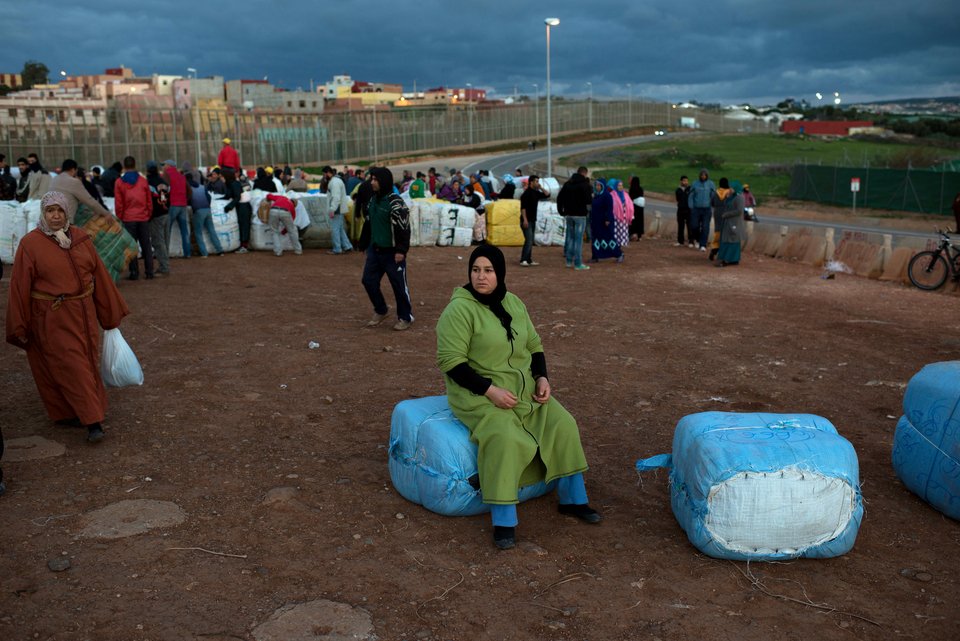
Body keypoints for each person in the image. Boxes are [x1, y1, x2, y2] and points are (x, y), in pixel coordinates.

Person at [436, 244, 600, 550]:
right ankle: (504, 520)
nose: (481, 277)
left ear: (500, 273)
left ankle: (573, 499)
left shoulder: (513, 303)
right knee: (504, 436)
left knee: (562, 423)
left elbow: (534, 345)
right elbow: (451, 362)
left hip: (522, 391)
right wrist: (490, 391)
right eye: (475, 270)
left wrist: (542, 378)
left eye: (488, 270)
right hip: (478, 395)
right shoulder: (459, 310)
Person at [6, 191, 130, 444]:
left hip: (83, 312)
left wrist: (109, 313)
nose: (55, 215)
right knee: (73, 365)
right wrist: (19, 323)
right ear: (43, 213)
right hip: (52, 317)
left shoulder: (81, 239)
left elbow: (100, 277)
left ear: (66, 213)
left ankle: (65, 413)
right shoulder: (31, 244)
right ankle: (93, 421)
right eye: (50, 210)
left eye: (59, 211)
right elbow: (19, 285)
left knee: (82, 362)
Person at [361, 167, 413, 332]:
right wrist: (364, 243)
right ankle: (381, 310)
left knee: (398, 286)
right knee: (368, 280)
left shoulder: (395, 203)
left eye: (375, 179)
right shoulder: (373, 200)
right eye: (372, 179)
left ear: (383, 181)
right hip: (375, 251)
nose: (372, 182)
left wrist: (401, 251)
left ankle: (405, 317)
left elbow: (404, 229)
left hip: (392, 253)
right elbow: (369, 222)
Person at [115, 156, 155, 280]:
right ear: (135, 164)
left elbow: (119, 203)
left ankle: (134, 272)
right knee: (146, 245)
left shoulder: (119, 182)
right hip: (143, 217)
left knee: (131, 246)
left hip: (128, 218)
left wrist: (120, 216)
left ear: (124, 166)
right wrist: (148, 214)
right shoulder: (143, 181)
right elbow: (149, 200)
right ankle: (149, 272)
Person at [49, 159, 113, 221]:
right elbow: (89, 200)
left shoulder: (55, 179)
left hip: (49, 220)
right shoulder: (73, 182)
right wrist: (105, 213)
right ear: (73, 170)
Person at [557, 166, 592, 270]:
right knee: (578, 240)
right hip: (580, 215)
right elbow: (588, 200)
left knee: (570, 238)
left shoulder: (568, 184)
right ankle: (578, 263)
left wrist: (561, 211)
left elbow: (560, 198)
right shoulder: (584, 185)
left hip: (568, 214)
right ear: (585, 173)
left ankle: (568, 261)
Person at [187, 171, 223, 257]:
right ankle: (220, 250)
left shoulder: (189, 188)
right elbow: (209, 197)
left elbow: (188, 200)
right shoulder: (202, 187)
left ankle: (204, 253)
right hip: (207, 210)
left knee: (198, 233)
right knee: (211, 230)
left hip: (198, 211)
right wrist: (207, 205)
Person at [145, 161, 171, 275]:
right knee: (164, 241)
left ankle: (164, 267)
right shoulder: (164, 181)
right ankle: (165, 265)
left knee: (158, 242)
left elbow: (148, 200)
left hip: (156, 215)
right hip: (166, 212)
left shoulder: (149, 183)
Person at [712, 177, 745, 267]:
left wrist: (726, 214)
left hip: (734, 223)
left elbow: (739, 211)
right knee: (726, 239)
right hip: (727, 222)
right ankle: (730, 259)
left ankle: (728, 259)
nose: (729, 189)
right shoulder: (731, 196)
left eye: (731, 188)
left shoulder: (739, 197)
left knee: (732, 240)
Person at [519, 175, 550, 266]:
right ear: (531, 182)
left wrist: (541, 188)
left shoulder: (536, 193)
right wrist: (525, 220)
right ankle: (523, 259)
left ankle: (528, 259)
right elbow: (523, 208)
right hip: (526, 220)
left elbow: (547, 195)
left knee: (531, 240)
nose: (538, 183)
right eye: (536, 181)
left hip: (533, 220)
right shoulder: (526, 194)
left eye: (538, 181)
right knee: (528, 240)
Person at [322, 165, 353, 254]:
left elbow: (335, 197)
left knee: (335, 229)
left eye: (324, 174)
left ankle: (337, 249)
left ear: (328, 173)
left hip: (336, 208)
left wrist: (332, 209)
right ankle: (347, 246)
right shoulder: (336, 181)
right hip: (338, 207)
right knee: (339, 228)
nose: (324, 177)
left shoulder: (334, 182)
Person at [590, 180, 623, 263]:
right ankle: (595, 256)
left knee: (608, 238)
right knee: (596, 239)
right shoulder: (596, 196)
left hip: (604, 222)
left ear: (602, 186)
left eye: (599, 186)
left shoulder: (607, 196)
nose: (597, 187)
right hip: (596, 222)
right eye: (596, 185)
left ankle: (619, 254)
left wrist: (607, 219)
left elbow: (609, 208)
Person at [163, 160, 191, 258]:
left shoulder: (166, 175)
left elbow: (164, 190)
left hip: (173, 205)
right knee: (184, 231)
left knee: (167, 230)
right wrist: (185, 199)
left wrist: (165, 203)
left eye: (164, 165)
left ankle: (165, 253)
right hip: (182, 205)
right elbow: (189, 190)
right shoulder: (181, 176)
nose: (163, 167)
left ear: (169, 166)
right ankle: (187, 253)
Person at [223, 168, 252, 253]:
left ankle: (244, 246)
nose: (222, 179)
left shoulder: (235, 184)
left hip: (243, 206)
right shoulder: (230, 184)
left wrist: (229, 206)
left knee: (244, 225)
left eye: (223, 177)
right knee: (241, 225)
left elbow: (237, 197)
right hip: (240, 206)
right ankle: (242, 244)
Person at [688, 169, 716, 252]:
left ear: (707, 176)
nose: (703, 177)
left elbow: (713, 195)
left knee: (705, 227)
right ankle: (698, 238)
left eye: (705, 175)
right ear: (699, 175)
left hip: (706, 209)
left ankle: (703, 245)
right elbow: (691, 196)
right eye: (702, 175)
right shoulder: (695, 183)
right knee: (694, 226)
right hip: (696, 209)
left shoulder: (711, 184)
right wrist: (691, 207)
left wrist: (712, 204)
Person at [608, 178, 634, 248]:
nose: (620, 187)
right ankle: (616, 246)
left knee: (623, 231)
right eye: (619, 185)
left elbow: (630, 204)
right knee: (616, 232)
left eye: (621, 185)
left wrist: (630, 214)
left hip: (624, 217)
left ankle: (621, 244)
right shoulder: (612, 195)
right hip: (615, 217)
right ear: (616, 186)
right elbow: (610, 206)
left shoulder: (625, 195)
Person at [675, 175, 693, 247]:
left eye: (686, 181)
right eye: (684, 181)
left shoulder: (690, 189)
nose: (685, 182)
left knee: (689, 226)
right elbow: (678, 199)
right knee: (680, 226)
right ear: (681, 181)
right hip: (680, 209)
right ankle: (680, 241)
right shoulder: (678, 190)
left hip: (688, 210)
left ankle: (691, 241)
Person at [628, 176, 645, 241]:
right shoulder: (640, 189)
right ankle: (639, 236)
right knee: (640, 221)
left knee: (633, 221)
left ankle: (631, 234)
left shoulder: (631, 188)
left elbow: (630, 197)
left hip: (634, 207)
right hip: (640, 208)